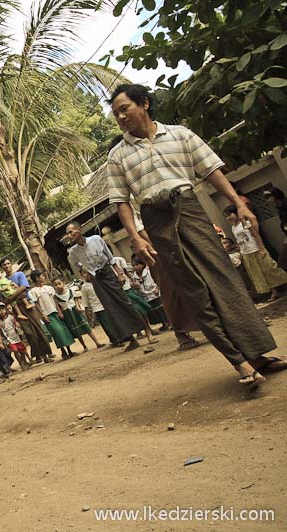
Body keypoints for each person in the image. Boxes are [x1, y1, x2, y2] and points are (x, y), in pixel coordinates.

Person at [107, 83, 287, 385]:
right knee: (196, 293)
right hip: (157, 223)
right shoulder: (117, 156)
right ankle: (240, 363)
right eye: (116, 114)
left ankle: (257, 355)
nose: (121, 117)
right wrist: (136, 237)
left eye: (124, 109)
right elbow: (121, 201)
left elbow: (212, 170)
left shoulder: (180, 134)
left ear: (145, 104)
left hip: (191, 211)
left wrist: (237, 203)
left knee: (226, 283)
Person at [66, 221, 149, 352]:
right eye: (67, 234)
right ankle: (131, 339)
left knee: (125, 303)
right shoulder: (73, 252)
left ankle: (148, 334)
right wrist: (86, 272)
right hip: (96, 280)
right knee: (111, 309)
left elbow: (110, 258)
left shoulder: (96, 240)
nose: (69, 236)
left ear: (79, 230)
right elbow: (77, 266)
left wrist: (120, 273)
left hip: (109, 274)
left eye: (71, 232)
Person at [224, 204, 287, 302]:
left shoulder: (245, 223)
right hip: (246, 253)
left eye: (229, 215)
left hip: (256, 249)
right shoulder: (233, 228)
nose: (228, 218)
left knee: (269, 269)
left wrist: (261, 249)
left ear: (236, 213)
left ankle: (281, 286)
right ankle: (273, 292)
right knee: (258, 274)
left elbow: (256, 235)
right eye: (226, 216)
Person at [0, 257, 53, 363]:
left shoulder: (20, 274)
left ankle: (46, 354)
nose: (7, 266)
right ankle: (38, 355)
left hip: (28, 304)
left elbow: (23, 287)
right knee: (29, 333)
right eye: (4, 265)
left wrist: (11, 297)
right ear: (2, 268)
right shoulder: (2, 281)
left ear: (11, 264)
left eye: (8, 263)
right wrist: (10, 299)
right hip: (17, 308)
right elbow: (3, 299)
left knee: (38, 329)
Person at [29, 271, 77, 360]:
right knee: (57, 333)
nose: (44, 277)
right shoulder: (33, 291)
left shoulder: (49, 288)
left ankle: (69, 350)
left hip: (55, 311)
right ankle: (63, 351)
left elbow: (55, 300)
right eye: (42, 275)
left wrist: (59, 311)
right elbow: (36, 304)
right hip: (47, 314)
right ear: (37, 278)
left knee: (64, 331)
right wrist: (42, 315)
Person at [52, 278, 105, 351]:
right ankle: (84, 346)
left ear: (63, 283)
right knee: (76, 330)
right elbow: (57, 306)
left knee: (86, 326)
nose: (58, 286)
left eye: (59, 283)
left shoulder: (70, 291)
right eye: (55, 285)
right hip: (67, 313)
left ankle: (97, 342)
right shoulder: (55, 296)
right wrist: (60, 313)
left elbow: (75, 299)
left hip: (75, 310)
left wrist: (78, 306)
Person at [80, 271, 122, 346]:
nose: (87, 275)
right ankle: (115, 340)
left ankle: (121, 337)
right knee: (107, 325)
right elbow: (85, 301)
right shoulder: (84, 287)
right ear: (82, 275)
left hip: (107, 305)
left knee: (114, 322)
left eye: (88, 272)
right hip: (98, 308)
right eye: (84, 273)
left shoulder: (98, 281)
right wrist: (87, 312)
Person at [132, 257, 171, 330]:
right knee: (154, 311)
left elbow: (158, 279)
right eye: (133, 266)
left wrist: (157, 288)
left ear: (142, 264)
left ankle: (169, 322)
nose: (135, 267)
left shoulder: (149, 272)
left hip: (154, 293)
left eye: (137, 265)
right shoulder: (134, 276)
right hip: (145, 296)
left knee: (161, 309)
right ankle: (164, 323)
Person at [0, 302, 32, 369]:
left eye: (2, 309)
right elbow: (0, 331)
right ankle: (21, 363)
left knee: (22, 350)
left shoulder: (11, 317)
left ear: (5, 309)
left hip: (16, 336)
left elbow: (16, 325)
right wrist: (4, 340)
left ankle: (24, 361)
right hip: (9, 339)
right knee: (15, 351)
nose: (1, 311)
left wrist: (20, 332)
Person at [264, 186, 287, 270]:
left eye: (268, 197)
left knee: (282, 262)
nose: (267, 200)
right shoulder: (280, 205)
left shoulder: (285, 204)